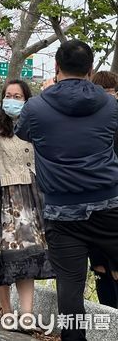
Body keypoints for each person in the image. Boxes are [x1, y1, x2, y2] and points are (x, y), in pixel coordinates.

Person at [15, 40, 118, 340]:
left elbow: (22, 131)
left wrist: (48, 94)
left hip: (62, 212)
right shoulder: (110, 104)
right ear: (90, 68)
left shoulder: (36, 107)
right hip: (109, 204)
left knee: (70, 288)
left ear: (57, 67)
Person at [0, 79, 55, 327]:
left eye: (18, 96)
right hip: (4, 197)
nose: (12, 100)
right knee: (3, 256)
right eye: (8, 95)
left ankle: (26, 316)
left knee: (28, 257)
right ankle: (7, 312)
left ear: (27, 99)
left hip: (33, 196)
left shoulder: (37, 125)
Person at [88, 71, 118, 308]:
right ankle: (108, 316)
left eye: (112, 93)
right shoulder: (87, 121)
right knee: (98, 264)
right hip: (94, 202)